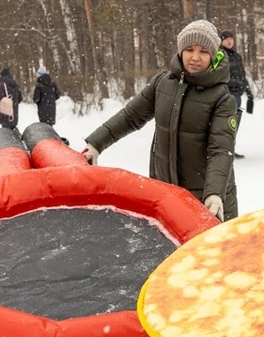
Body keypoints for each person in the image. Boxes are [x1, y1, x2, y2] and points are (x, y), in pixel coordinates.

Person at [83, 19, 238, 221]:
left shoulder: (222, 98)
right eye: (190, 49)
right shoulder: (163, 84)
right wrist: (96, 143)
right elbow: (131, 116)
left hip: (208, 200)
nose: (195, 57)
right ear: (181, 50)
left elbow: (220, 150)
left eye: (203, 51)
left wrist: (214, 193)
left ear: (213, 55)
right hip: (166, 193)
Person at [218, 30, 255, 158]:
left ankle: (230, 149)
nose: (229, 41)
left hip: (237, 95)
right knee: (226, 124)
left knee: (234, 124)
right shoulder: (220, 55)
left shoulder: (236, 56)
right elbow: (218, 75)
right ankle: (222, 151)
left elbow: (242, 76)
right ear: (221, 41)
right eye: (226, 39)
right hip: (227, 95)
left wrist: (249, 93)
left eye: (231, 38)